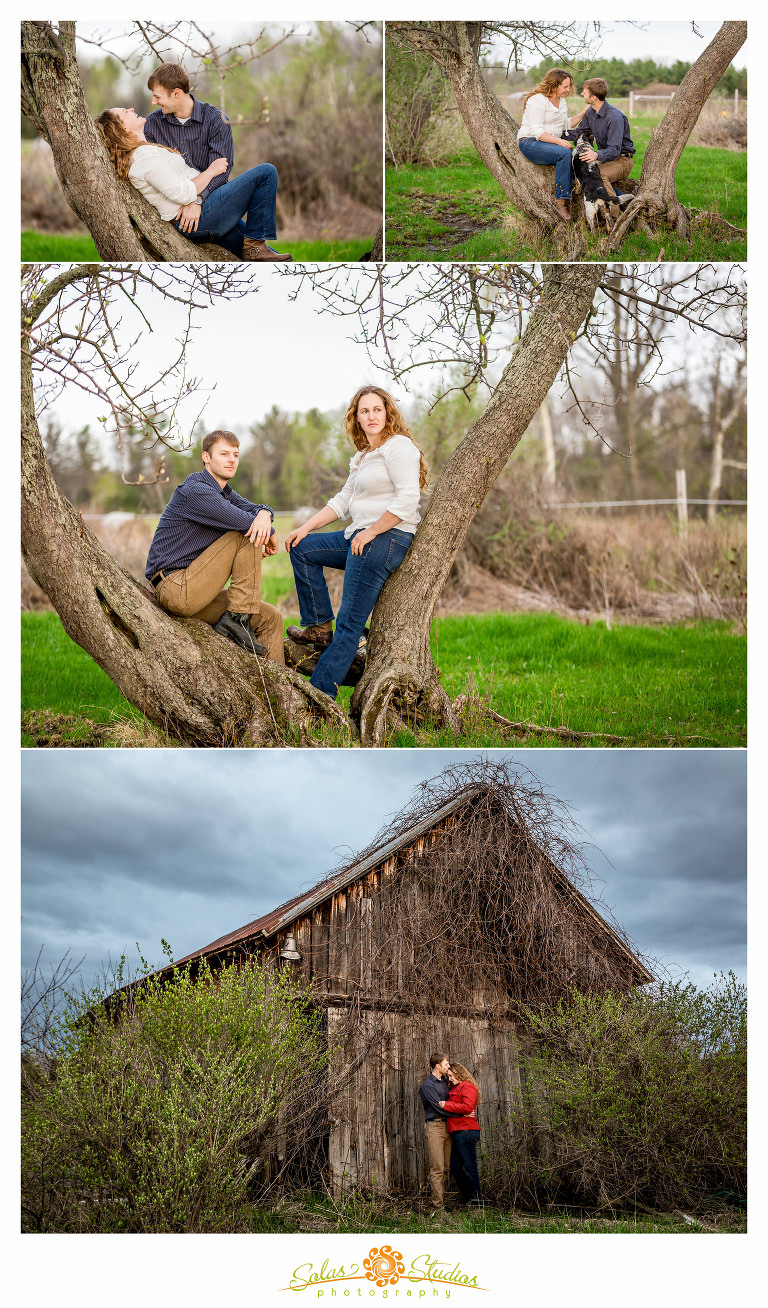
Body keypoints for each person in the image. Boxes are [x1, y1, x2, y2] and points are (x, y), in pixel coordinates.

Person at [284, 387, 427, 701]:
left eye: (377, 409)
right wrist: (304, 528)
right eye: (365, 411)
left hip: (386, 538)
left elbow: (407, 500)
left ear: (388, 413)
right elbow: (343, 501)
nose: (371, 416)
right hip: (359, 535)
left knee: (349, 626)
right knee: (301, 548)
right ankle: (319, 627)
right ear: (356, 418)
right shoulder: (364, 456)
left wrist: (373, 531)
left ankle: (317, 701)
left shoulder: (398, 447)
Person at [144, 429, 285, 662]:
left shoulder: (223, 492)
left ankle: (277, 694)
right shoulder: (196, 491)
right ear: (206, 457)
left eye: (236, 454)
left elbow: (255, 508)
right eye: (224, 453)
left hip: (198, 592)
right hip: (175, 588)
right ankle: (237, 618)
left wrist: (265, 514)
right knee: (245, 535)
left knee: (271, 617)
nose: (231, 459)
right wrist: (267, 528)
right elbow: (246, 522)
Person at [95, 95, 291, 261]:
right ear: (123, 129)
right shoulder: (143, 158)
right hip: (197, 220)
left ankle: (255, 249)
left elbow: (183, 187)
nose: (131, 109)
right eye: (124, 112)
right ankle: (255, 246)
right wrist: (211, 171)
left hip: (200, 211)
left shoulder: (146, 151)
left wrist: (198, 198)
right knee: (266, 173)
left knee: (269, 258)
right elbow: (181, 193)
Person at [516, 69, 590, 223]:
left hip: (550, 141)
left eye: (569, 86)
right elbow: (536, 131)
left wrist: (583, 113)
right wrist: (559, 142)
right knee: (564, 153)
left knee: (584, 142)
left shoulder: (561, 102)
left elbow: (565, 125)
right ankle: (561, 202)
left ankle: (588, 183)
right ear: (554, 85)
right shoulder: (537, 100)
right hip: (530, 142)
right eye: (565, 86)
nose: (568, 90)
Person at [576, 78, 636, 201]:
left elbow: (614, 150)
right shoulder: (591, 113)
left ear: (594, 98)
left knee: (598, 175)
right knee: (583, 173)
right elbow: (579, 133)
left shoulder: (614, 117)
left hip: (622, 161)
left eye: (585, 92)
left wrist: (596, 155)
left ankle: (614, 215)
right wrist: (555, 135)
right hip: (606, 159)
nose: (582, 94)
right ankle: (623, 201)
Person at [439, 1062, 482, 1207]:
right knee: (455, 1167)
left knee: (470, 1167)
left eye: (451, 1075)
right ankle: (468, 1196)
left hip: (467, 1131)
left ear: (459, 1073)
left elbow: (468, 1107)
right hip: (457, 1132)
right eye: (448, 1076)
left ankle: (476, 1200)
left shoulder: (468, 1087)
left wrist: (446, 1105)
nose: (449, 1079)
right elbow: (462, 1109)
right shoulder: (455, 1088)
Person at [418, 1053, 453, 1213]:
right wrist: (462, 1113)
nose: (448, 1066)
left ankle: (440, 1201)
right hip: (435, 1128)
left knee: (445, 1167)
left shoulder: (447, 1081)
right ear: (437, 1066)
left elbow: (451, 1102)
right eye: (446, 1064)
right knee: (437, 1168)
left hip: (449, 1126)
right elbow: (439, 1108)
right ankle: (437, 1207)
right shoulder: (427, 1086)